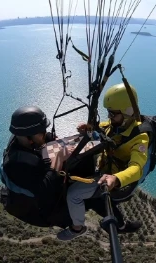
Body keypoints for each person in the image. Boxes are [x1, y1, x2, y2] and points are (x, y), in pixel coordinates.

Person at [57, 83, 148, 241]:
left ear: (127, 113)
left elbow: (137, 168)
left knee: (73, 194)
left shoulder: (140, 138)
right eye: (109, 113)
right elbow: (102, 132)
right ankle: (120, 225)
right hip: (102, 169)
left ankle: (77, 228)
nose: (110, 117)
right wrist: (89, 130)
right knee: (99, 203)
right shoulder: (115, 126)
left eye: (113, 114)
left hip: (110, 178)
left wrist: (116, 179)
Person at [0, 105, 71, 228]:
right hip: (38, 213)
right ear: (29, 137)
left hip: (34, 184)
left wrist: (54, 140)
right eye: (42, 132)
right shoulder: (16, 165)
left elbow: (42, 139)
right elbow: (45, 190)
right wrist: (57, 161)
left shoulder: (19, 138)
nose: (45, 133)